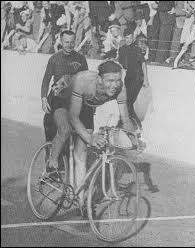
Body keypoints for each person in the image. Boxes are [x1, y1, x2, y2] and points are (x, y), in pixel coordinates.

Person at [45, 59, 139, 207]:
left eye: (117, 80)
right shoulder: (84, 81)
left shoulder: (120, 88)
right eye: (110, 80)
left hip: (85, 105)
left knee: (81, 154)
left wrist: (133, 137)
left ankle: (80, 199)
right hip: (62, 98)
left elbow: (125, 119)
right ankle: (52, 160)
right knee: (65, 130)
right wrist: (90, 138)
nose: (114, 85)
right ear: (99, 78)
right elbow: (73, 118)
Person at [41, 29, 88, 171]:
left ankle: (66, 168)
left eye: (72, 42)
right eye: (66, 42)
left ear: (75, 42)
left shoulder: (80, 59)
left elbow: (85, 81)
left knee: (71, 135)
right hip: (56, 100)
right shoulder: (54, 59)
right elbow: (46, 80)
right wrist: (43, 99)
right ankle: (50, 167)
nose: (69, 45)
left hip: (73, 101)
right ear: (61, 42)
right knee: (54, 133)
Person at [118, 27, 150, 129]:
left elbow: (143, 63)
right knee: (127, 103)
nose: (129, 40)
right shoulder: (121, 49)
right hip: (128, 78)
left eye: (131, 38)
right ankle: (128, 124)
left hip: (137, 78)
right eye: (127, 38)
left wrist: (146, 79)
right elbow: (121, 66)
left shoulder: (136, 49)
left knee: (128, 102)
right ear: (124, 38)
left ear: (133, 38)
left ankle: (136, 125)